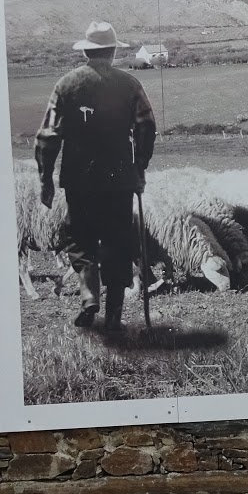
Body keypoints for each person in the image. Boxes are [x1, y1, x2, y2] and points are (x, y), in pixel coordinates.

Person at [35, 21, 156, 332]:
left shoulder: (66, 85)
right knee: (118, 241)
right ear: (113, 52)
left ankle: (89, 294)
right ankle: (114, 315)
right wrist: (139, 167)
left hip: (80, 180)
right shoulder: (130, 85)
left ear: (86, 52)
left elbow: (48, 135)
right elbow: (146, 126)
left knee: (79, 237)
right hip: (119, 180)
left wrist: (45, 179)